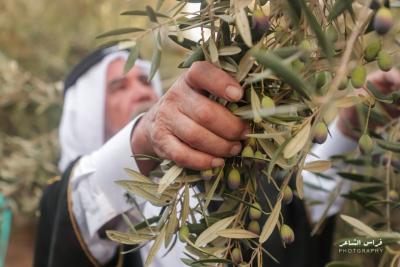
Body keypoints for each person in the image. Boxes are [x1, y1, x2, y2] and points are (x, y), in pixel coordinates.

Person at [33, 45, 400, 267]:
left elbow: (300, 205)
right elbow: (75, 210)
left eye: (144, 80)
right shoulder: (75, 199)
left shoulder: (221, 172)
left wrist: (354, 124)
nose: (139, 90)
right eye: (118, 86)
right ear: (87, 112)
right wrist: (145, 135)